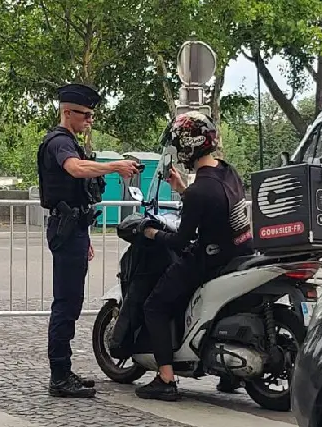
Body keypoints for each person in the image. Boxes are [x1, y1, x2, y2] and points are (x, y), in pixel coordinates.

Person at [135, 111, 253, 401]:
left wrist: (150, 234)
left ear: (188, 147)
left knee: (155, 306)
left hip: (209, 259)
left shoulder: (200, 190)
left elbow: (178, 241)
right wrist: (182, 190)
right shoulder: (228, 171)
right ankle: (228, 375)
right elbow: (214, 206)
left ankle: (165, 378)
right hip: (240, 253)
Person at [37, 83, 140, 398]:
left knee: (72, 302)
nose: (89, 120)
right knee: (66, 304)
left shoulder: (69, 141)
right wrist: (115, 166)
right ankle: (59, 376)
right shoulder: (59, 143)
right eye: (85, 115)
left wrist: (86, 236)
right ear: (67, 112)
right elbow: (76, 169)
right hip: (67, 231)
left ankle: (64, 370)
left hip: (74, 230)